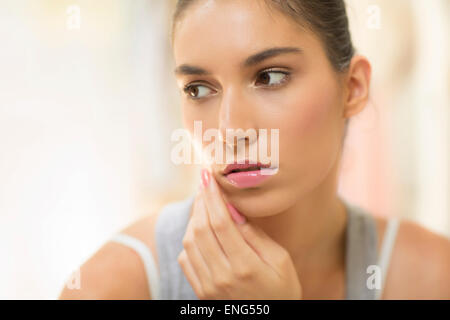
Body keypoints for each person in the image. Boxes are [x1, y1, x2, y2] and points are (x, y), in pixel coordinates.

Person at [59, 0, 450, 300]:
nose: (229, 129)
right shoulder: (113, 286)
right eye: (198, 88)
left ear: (352, 88)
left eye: (270, 77)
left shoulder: (431, 277)